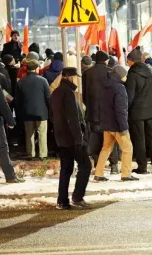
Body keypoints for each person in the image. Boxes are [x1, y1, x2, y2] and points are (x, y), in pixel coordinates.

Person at [51, 67, 91, 210]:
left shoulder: (56, 92)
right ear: (68, 77)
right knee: (85, 165)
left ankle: (62, 201)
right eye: (75, 77)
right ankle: (77, 197)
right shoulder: (68, 93)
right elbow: (73, 118)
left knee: (66, 169)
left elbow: (53, 116)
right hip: (72, 138)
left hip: (61, 137)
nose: (77, 79)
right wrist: (79, 138)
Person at [94, 66, 138, 181]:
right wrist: (123, 126)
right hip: (117, 125)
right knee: (127, 148)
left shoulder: (104, 86)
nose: (126, 77)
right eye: (125, 75)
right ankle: (126, 174)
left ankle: (99, 173)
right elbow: (120, 109)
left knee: (106, 148)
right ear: (120, 75)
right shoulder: (119, 88)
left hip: (107, 124)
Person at [126, 49, 152, 174]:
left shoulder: (132, 75)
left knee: (139, 140)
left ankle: (142, 167)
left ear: (131, 61)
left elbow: (129, 96)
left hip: (136, 113)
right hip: (151, 112)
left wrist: (126, 111)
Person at [82, 51, 119, 174]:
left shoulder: (87, 73)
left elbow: (85, 95)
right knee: (109, 139)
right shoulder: (110, 72)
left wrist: (90, 106)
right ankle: (114, 165)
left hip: (93, 112)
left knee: (95, 138)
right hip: (108, 111)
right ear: (105, 60)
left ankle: (98, 163)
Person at [16, 60, 51, 160]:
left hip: (26, 112)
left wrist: (19, 113)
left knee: (29, 134)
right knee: (42, 133)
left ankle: (30, 154)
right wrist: (49, 110)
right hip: (41, 112)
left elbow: (18, 99)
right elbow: (47, 97)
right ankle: (43, 154)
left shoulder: (21, 82)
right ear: (36, 68)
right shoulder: (43, 80)